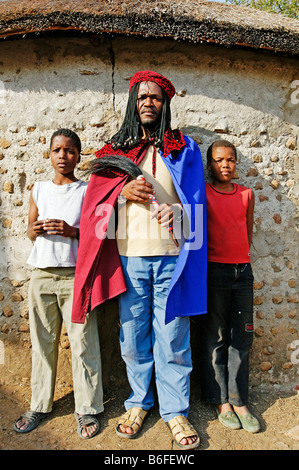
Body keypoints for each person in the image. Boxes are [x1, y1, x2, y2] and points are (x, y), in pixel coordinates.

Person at [71, 71, 207, 449]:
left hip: (172, 260)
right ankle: (138, 403)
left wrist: (176, 215)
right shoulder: (113, 153)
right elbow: (94, 211)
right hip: (129, 259)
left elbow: (196, 208)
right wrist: (122, 192)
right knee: (132, 338)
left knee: (174, 339)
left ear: (165, 104)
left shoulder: (184, 150)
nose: (149, 102)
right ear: (133, 101)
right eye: (142, 96)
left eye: (156, 97)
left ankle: (175, 411)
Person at [14, 129, 104, 439]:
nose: (63, 155)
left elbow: (99, 233)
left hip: (76, 277)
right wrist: (34, 229)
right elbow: (29, 229)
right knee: (42, 343)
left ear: (79, 155)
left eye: (69, 150)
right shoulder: (39, 189)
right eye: (57, 150)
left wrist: (72, 230)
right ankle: (39, 404)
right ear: (49, 155)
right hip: (41, 275)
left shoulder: (87, 190)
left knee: (83, 342)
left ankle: (87, 409)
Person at [199, 139, 260, 433]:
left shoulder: (247, 194)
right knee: (216, 335)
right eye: (219, 159)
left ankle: (239, 400)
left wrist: (239, 260)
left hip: (242, 273)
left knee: (242, 336)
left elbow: (247, 232)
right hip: (214, 272)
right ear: (210, 164)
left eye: (231, 159)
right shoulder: (205, 193)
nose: (225, 165)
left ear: (236, 164)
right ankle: (220, 399)